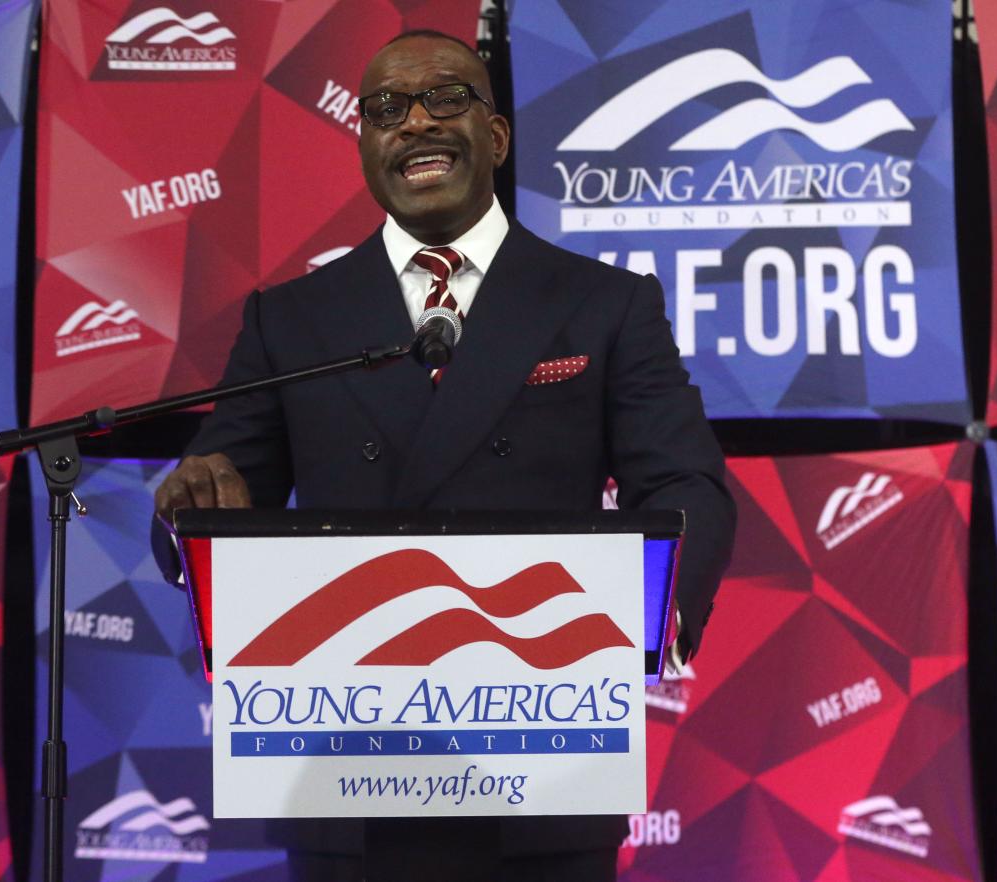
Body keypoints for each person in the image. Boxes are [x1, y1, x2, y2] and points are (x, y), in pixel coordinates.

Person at [153, 29, 735, 882]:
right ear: (364, 146)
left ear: (495, 136)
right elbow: (217, 496)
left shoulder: (605, 303)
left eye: (444, 99)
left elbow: (688, 483)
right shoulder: (291, 319)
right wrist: (187, 522)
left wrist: (642, 629)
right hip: (348, 776)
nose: (414, 122)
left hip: (543, 767)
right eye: (385, 109)